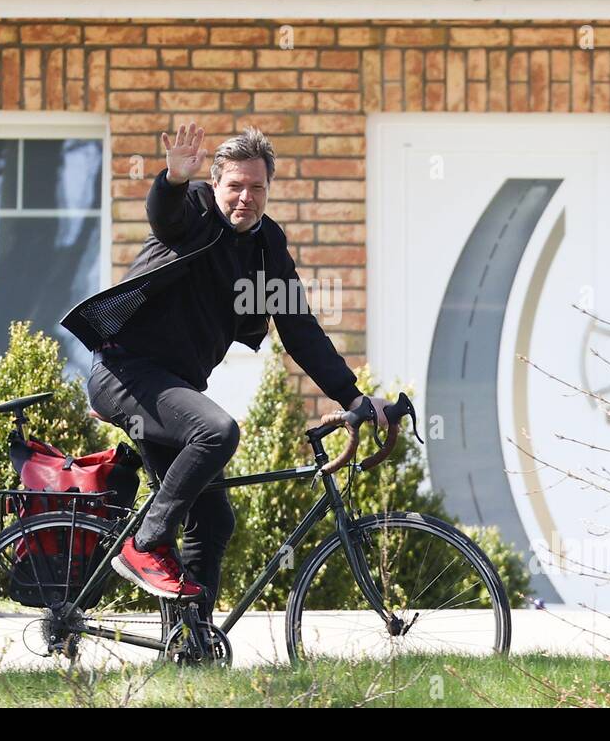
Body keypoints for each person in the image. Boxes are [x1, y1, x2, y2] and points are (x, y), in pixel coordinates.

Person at [62, 124, 389, 619]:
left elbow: (299, 328)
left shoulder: (266, 248)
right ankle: (145, 544)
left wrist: (354, 398)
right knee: (217, 431)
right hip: (125, 374)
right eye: (235, 185)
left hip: (173, 390)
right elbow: (165, 216)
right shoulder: (193, 210)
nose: (245, 197)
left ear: (267, 190)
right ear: (215, 185)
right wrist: (171, 180)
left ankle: (192, 646)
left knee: (211, 521)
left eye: (256, 187)